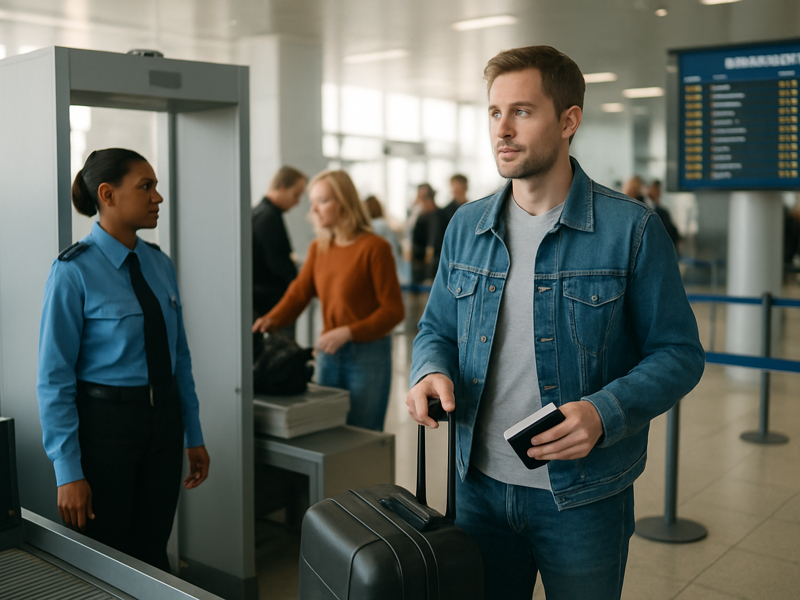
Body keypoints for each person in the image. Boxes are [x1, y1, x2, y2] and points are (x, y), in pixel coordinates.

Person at [405, 46, 705, 600]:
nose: (503, 129)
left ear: (569, 121)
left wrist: (602, 412)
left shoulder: (631, 230)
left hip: (584, 499)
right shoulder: (466, 227)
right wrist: (429, 371)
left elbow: (679, 353)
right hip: (476, 489)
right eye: (495, 113)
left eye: (522, 111)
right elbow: (436, 330)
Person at [37, 148, 210, 572]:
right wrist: (68, 470)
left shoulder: (159, 263)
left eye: (155, 186)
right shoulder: (72, 270)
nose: (158, 197)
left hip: (164, 424)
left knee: (152, 552)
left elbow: (179, 357)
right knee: (107, 558)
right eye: (145, 186)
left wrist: (193, 433)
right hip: (105, 430)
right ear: (107, 195)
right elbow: (54, 377)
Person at [253, 170, 405, 432]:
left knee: (362, 435)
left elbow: (393, 311)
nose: (313, 209)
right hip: (328, 355)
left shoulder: (375, 248)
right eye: (312, 202)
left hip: (367, 357)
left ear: (344, 203)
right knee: (327, 433)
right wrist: (269, 320)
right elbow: (298, 294)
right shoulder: (319, 248)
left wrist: (348, 332)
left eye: (322, 201)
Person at [252, 166, 307, 318]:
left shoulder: (257, 212)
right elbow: (278, 263)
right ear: (282, 188)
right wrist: (298, 285)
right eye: (295, 195)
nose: (297, 202)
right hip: (270, 304)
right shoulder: (269, 218)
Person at [410, 183, 441, 283]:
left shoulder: (436, 216)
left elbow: (434, 240)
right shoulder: (419, 215)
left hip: (430, 264)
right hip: (419, 260)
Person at [647, 179, 681, 250]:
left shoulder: (663, 211)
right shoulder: (644, 207)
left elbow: (670, 229)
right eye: (655, 190)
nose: (657, 193)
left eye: (658, 190)